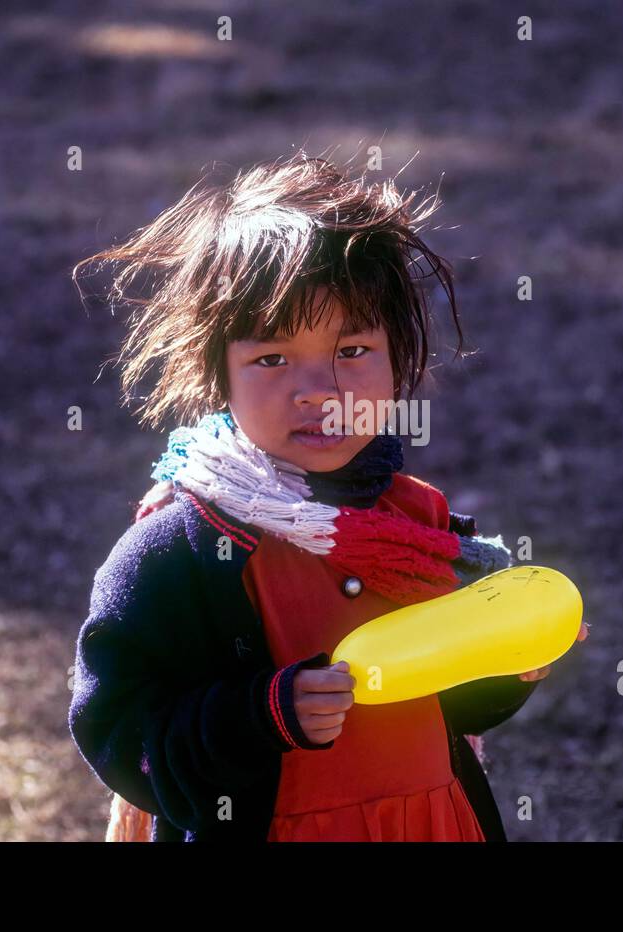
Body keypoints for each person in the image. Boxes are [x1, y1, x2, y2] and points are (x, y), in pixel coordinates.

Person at [67, 150, 589, 841]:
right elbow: (118, 730)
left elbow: (446, 705)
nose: (319, 391)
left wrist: (510, 667)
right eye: (272, 359)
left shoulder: (416, 521)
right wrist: (264, 713)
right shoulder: (176, 550)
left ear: (399, 355)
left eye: (352, 351)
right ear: (218, 372)